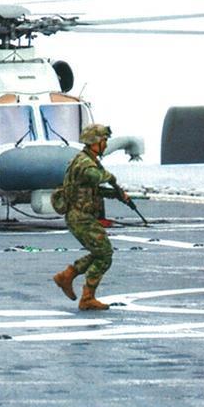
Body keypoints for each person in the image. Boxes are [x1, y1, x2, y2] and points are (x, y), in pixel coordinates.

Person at [51, 124, 132, 311]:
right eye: (104, 140)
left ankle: (67, 276)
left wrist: (116, 194)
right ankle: (86, 297)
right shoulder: (84, 162)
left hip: (81, 216)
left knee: (100, 253)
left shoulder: (86, 159)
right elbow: (95, 177)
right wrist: (110, 176)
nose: (106, 144)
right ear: (95, 142)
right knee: (105, 255)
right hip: (80, 217)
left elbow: (91, 189)